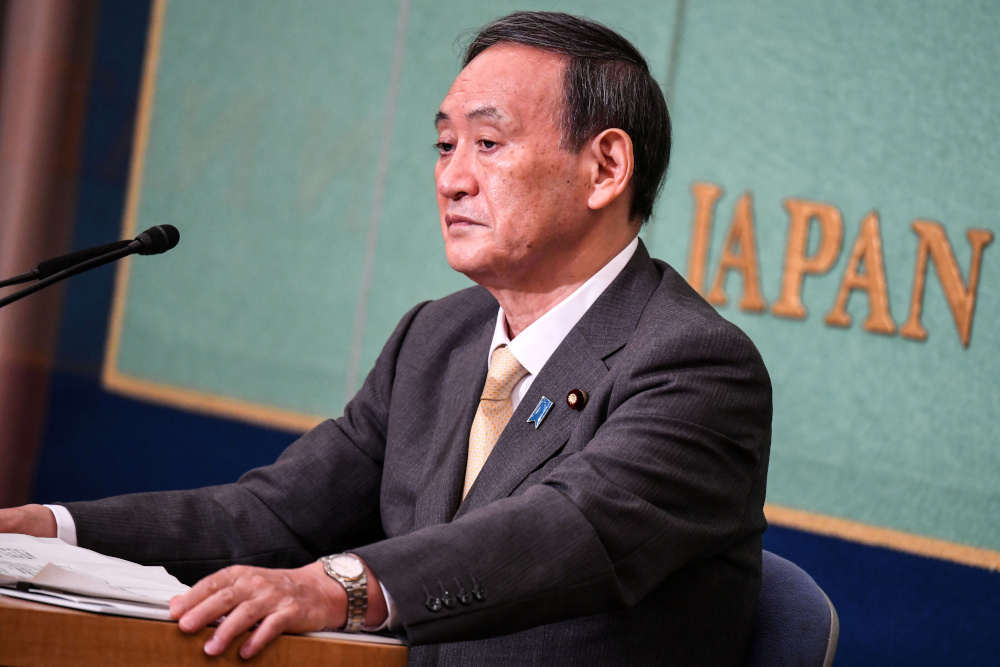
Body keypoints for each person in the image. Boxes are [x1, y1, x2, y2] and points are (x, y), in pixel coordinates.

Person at [0, 11, 771, 666]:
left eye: (488, 144)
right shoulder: (438, 337)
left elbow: (570, 526)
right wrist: (54, 530)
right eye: (444, 145)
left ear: (605, 167)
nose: (451, 178)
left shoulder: (696, 366)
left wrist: (340, 584)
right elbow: (277, 515)